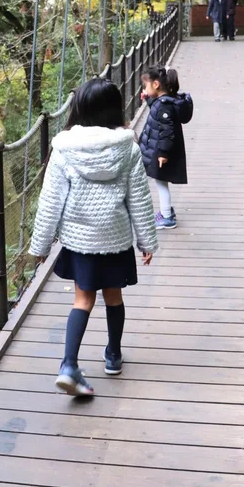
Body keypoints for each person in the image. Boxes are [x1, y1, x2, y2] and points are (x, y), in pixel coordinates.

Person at [30, 77, 158, 397]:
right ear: (115, 109)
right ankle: (113, 355)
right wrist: (147, 241)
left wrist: (41, 245)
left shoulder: (63, 148)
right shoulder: (127, 147)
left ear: (79, 109)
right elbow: (139, 197)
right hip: (114, 238)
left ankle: (69, 365)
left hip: (79, 240)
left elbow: (50, 201)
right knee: (113, 297)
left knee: (82, 300)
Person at [139, 66, 193, 230]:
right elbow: (157, 109)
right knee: (160, 181)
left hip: (162, 151)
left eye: (146, 86)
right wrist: (147, 99)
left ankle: (167, 217)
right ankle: (166, 211)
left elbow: (167, 131)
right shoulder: (164, 102)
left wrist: (162, 153)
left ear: (156, 85)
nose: (145, 89)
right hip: (161, 149)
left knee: (160, 182)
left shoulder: (163, 107)